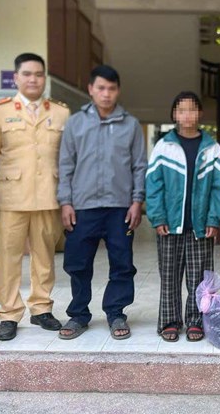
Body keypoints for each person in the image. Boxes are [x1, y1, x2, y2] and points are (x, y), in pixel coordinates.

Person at [0, 53, 69, 341]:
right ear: (16, 78)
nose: (33, 79)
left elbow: (67, 159)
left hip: (48, 196)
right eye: (27, 74)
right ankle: (9, 313)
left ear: (45, 78)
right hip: (11, 199)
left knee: (44, 256)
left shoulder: (61, 113)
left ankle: (41, 308)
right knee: (8, 257)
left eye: (39, 74)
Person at [57, 64, 147, 341]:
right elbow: (65, 165)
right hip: (82, 207)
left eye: (111, 88)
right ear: (91, 90)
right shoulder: (76, 123)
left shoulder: (130, 125)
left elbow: (139, 166)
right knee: (77, 263)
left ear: (118, 91)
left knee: (122, 263)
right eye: (101, 88)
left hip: (120, 208)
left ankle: (116, 312)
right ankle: (78, 315)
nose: (106, 94)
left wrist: (137, 201)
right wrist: (65, 202)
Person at [146, 92, 220, 342]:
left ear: (200, 113)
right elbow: (153, 185)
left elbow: (218, 188)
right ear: (174, 115)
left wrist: (214, 218)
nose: (187, 115)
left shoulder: (212, 148)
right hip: (169, 225)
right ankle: (170, 322)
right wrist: (158, 217)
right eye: (181, 110)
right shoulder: (164, 146)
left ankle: (196, 321)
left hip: (200, 225)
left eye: (192, 109)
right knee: (169, 277)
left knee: (199, 279)